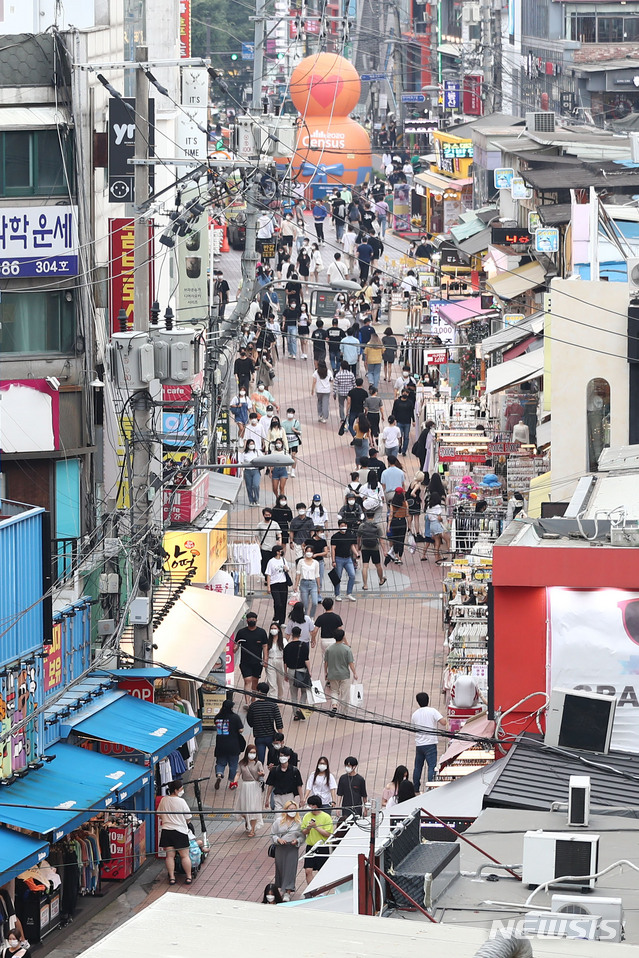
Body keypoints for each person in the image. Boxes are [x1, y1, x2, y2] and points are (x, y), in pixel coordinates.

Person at [157, 780, 193, 885]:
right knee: (184, 856)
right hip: (180, 831)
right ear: (176, 790)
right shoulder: (181, 801)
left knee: (170, 856)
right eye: (181, 789)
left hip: (167, 831)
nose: (182, 791)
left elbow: (159, 814)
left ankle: (172, 877)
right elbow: (188, 817)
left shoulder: (164, 800)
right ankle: (189, 877)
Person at [412, 691, 446, 789]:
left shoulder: (415, 714)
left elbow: (413, 727)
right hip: (430, 743)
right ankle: (431, 787)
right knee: (431, 766)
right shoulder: (432, 711)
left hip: (419, 744)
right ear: (428, 700)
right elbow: (443, 722)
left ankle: (416, 787)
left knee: (418, 767)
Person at [270, 801, 303, 901]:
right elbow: (273, 834)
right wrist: (278, 840)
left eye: (294, 809)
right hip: (280, 848)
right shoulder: (278, 821)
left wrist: (297, 841)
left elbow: (302, 836)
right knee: (281, 869)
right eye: (290, 809)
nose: (292, 811)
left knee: (290, 869)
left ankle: (288, 891)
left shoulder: (299, 823)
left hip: (292, 848)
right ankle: (282, 888)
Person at [234, 611, 269, 702]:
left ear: (256, 620)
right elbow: (236, 644)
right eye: (250, 619)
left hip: (257, 662)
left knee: (255, 681)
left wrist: (265, 659)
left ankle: (253, 700)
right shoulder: (241, 632)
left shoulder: (261, 632)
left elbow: (265, 646)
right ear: (247, 620)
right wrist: (234, 648)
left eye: (253, 619)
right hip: (245, 662)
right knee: (247, 680)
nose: (252, 620)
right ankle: (247, 702)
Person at [301, 795, 335, 884]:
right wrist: (308, 828)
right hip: (310, 846)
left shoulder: (326, 817)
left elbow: (328, 834)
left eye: (311, 805)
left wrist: (316, 827)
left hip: (323, 847)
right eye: (309, 805)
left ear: (316, 805)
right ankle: (310, 890)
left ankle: (321, 889)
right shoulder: (307, 816)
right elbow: (303, 831)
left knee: (322, 871)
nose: (310, 807)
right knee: (308, 870)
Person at [233, 744, 265, 837]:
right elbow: (238, 773)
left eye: (254, 752)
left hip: (254, 787)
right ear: (247, 753)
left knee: (253, 808)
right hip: (245, 786)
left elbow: (262, 772)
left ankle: (252, 829)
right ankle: (247, 820)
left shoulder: (258, 763)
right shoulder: (242, 763)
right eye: (251, 752)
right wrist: (234, 782)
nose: (252, 754)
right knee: (244, 807)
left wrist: (261, 774)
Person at [325, 629, 358, 716]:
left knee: (334, 691)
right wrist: (354, 673)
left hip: (332, 674)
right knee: (344, 693)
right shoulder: (347, 649)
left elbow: (326, 662)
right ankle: (344, 712)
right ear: (343, 637)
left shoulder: (329, 649)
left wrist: (326, 672)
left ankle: (334, 705)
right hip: (344, 674)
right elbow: (351, 662)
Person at [283, 625, 312, 720]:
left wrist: (285, 673)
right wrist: (309, 671)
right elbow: (306, 660)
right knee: (305, 690)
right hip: (302, 671)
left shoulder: (287, 646)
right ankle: (301, 707)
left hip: (291, 671)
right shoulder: (303, 645)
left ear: (292, 634)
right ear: (300, 634)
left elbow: (285, 662)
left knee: (293, 693)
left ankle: (295, 713)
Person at [357, 511, 387, 589]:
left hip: (364, 547)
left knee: (365, 566)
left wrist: (359, 546)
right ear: (374, 516)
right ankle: (381, 580)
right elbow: (381, 539)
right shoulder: (377, 526)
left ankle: (365, 585)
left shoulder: (362, 526)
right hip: (375, 548)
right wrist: (384, 550)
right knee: (378, 565)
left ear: (366, 516)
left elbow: (359, 537)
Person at [331, 519, 358, 601]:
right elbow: (333, 549)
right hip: (338, 559)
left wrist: (356, 553)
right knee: (338, 577)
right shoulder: (335, 537)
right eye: (342, 526)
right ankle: (337, 594)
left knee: (352, 575)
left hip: (348, 559)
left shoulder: (350, 535)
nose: (344, 527)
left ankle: (349, 593)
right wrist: (333, 560)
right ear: (339, 526)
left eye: (345, 525)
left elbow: (352, 546)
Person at [266, 546, 290, 625]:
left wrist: (286, 569)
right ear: (277, 552)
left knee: (283, 603)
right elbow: (268, 574)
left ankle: (282, 621)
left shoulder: (283, 560)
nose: (281, 552)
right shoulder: (271, 562)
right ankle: (276, 617)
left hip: (283, 583)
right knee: (277, 602)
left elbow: (287, 569)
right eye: (280, 550)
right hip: (274, 584)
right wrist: (268, 586)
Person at [294, 546, 321, 618]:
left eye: (310, 551)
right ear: (305, 552)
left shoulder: (316, 563)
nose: (309, 553)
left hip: (313, 584)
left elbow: (317, 575)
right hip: (304, 583)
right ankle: (305, 617)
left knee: (315, 602)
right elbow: (298, 574)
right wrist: (296, 585)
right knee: (305, 604)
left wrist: (318, 586)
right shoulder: (301, 562)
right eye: (307, 551)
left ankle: (312, 616)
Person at [257, 507, 282, 577]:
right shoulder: (260, 525)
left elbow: (279, 533)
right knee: (265, 564)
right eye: (266, 515)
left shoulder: (275, 524)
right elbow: (256, 536)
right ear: (263, 515)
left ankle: (272, 577)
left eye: (269, 515)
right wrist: (258, 544)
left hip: (273, 548)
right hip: (264, 548)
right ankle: (266, 577)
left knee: (274, 563)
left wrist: (279, 541)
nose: (267, 516)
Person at [264, 623, 287, 699]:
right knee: (272, 683)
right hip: (270, 661)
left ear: (279, 630)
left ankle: (280, 698)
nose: (273, 630)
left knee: (280, 683)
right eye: (272, 628)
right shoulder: (268, 641)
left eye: (275, 628)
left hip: (280, 661)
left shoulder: (283, 641)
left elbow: (286, 653)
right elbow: (265, 652)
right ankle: (272, 699)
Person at [387, 488, 408, 565]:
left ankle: (396, 556)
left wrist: (388, 526)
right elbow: (407, 514)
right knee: (401, 540)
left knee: (395, 540)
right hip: (402, 522)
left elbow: (391, 515)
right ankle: (400, 558)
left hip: (394, 522)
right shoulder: (405, 503)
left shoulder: (392, 503)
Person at [391, 389, 415, 457]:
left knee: (406, 437)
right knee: (399, 436)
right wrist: (393, 419)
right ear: (401, 393)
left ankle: (404, 450)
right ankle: (399, 446)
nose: (405, 394)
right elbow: (394, 410)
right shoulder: (397, 402)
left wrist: (413, 420)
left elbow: (411, 412)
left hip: (407, 422)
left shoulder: (410, 402)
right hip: (399, 421)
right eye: (404, 393)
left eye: (407, 393)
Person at [240, 439, 261, 506]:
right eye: (250, 444)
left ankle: (256, 499)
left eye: (253, 444)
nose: (252, 445)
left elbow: (262, 458)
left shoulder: (257, 452)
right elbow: (241, 463)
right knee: (249, 487)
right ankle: (251, 500)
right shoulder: (244, 454)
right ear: (247, 445)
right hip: (247, 471)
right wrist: (241, 472)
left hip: (256, 470)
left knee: (256, 485)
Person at [282, 408, 302, 475]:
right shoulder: (283, 423)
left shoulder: (296, 422)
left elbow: (300, 432)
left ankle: (293, 470)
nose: (290, 414)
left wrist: (295, 430)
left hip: (294, 441)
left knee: (293, 455)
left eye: (291, 413)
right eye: (289, 413)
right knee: (287, 455)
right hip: (286, 441)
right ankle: (288, 468)